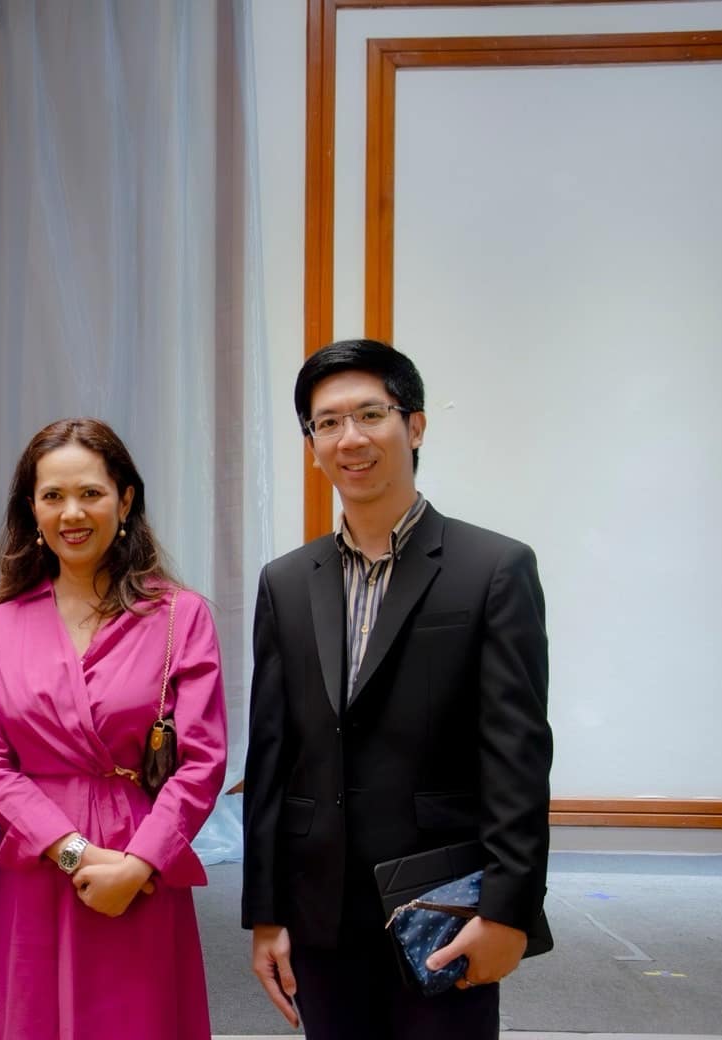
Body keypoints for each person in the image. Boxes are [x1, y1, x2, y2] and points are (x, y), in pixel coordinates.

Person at [243, 339, 552, 1038]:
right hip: (319, 909)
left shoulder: (493, 568)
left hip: (443, 904)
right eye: (327, 423)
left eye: (370, 414)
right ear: (312, 445)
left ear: (414, 426)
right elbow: (272, 757)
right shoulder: (286, 582)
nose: (349, 438)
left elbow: (518, 757)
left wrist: (508, 911)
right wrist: (265, 913)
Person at [0, 417, 228, 1040]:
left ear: (125, 500)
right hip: (40, 863)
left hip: (140, 865)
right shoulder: (2, 624)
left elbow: (202, 759)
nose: (72, 513)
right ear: (31, 509)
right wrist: (72, 852)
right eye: (52, 496)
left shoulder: (180, 615)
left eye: (90, 493)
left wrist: (138, 865)